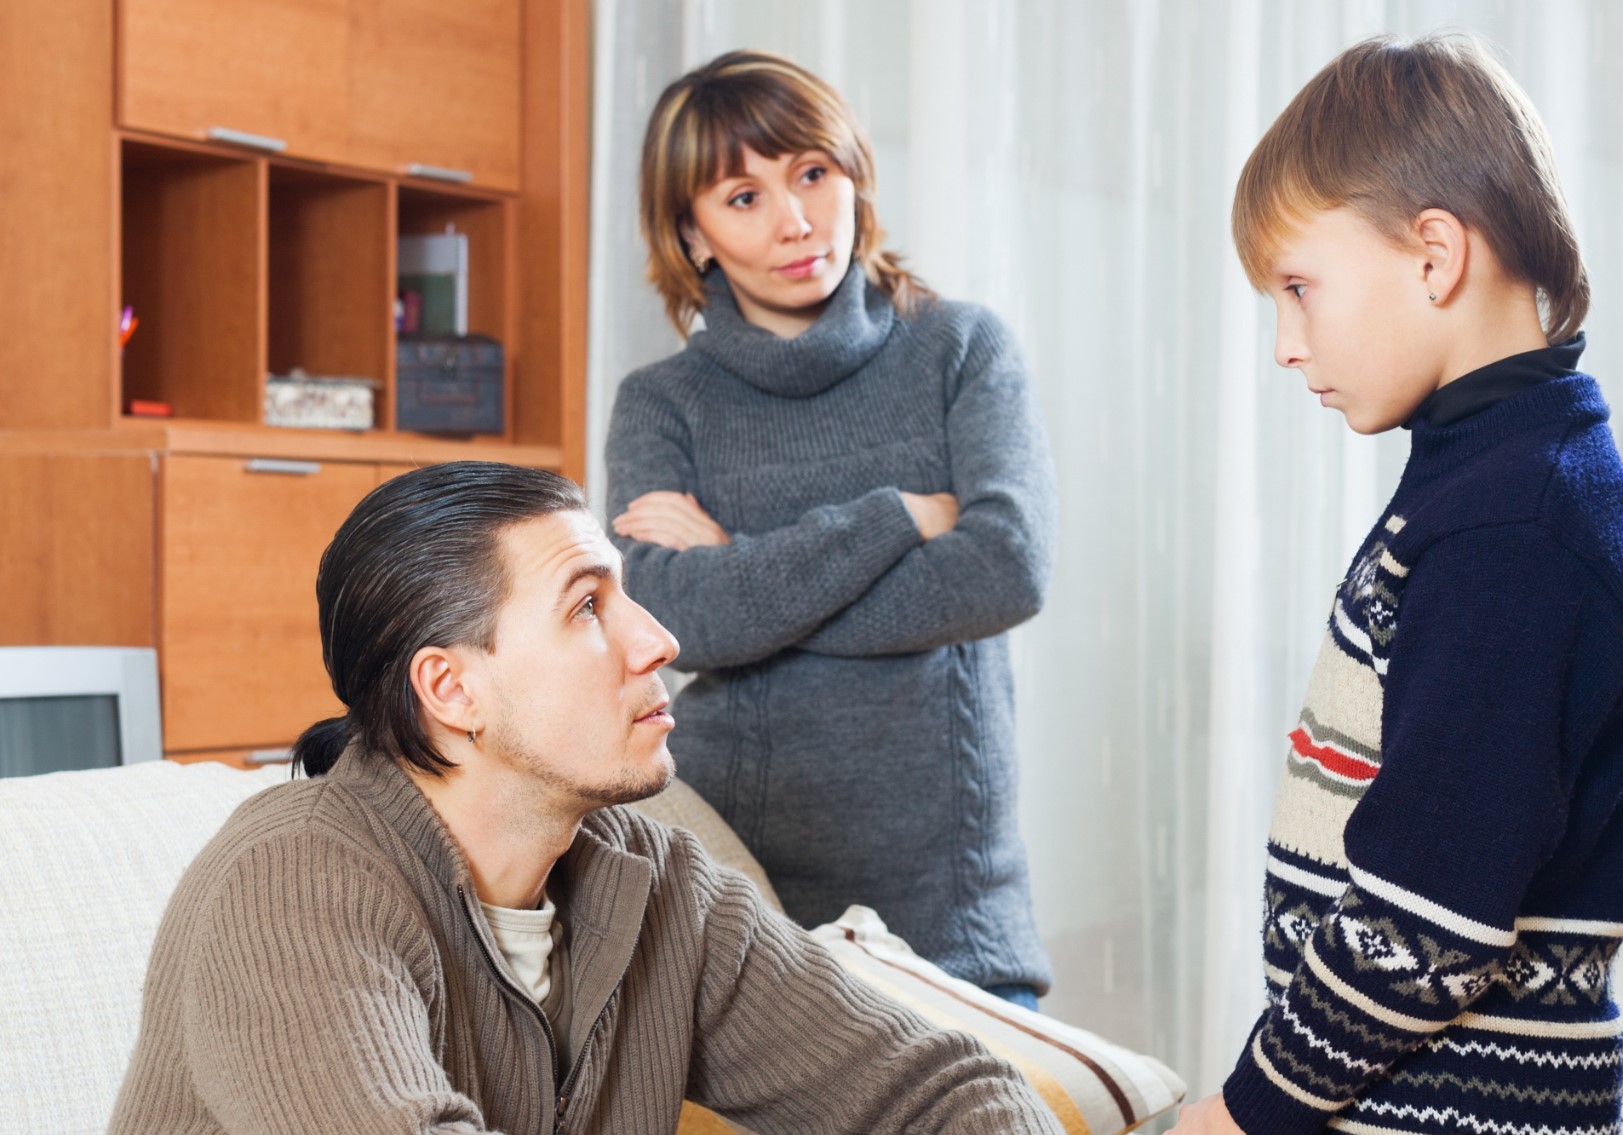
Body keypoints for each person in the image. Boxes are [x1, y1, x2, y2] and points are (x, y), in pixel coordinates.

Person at [107, 461, 1062, 1134]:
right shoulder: (294, 885)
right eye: (586, 607)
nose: (658, 640)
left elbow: (941, 1093)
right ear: (452, 690)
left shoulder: (658, 884)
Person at [1173, 34, 1623, 1135]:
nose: (1283, 346)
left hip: (1446, 1112)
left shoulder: (1514, 526)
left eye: (1299, 289)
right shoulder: (1484, 477)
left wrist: (1245, 1110)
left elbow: (1428, 917)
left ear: (1434, 256)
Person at [605, 50, 1057, 1010]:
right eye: (742, 196)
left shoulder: (959, 348)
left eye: (812, 173)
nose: (795, 219)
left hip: (950, 903)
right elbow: (678, 619)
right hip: (736, 887)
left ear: (854, 174)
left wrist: (741, 565)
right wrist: (893, 518)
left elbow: (1006, 571)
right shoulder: (660, 405)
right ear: (691, 234)